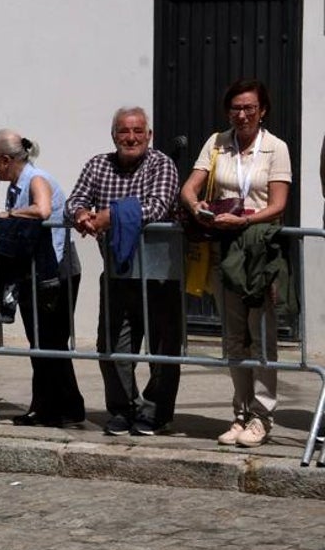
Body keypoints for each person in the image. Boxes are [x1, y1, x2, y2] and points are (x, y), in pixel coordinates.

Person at [180, 80, 292, 448]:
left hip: (259, 249)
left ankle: (262, 417)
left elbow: (277, 205)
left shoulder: (276, 148)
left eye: (249, 108)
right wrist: (197, 209)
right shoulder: (216, 143)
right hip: (225, 250)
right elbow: (190, 187)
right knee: (233, 338)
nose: (242, 115)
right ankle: (240, 413)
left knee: (262, 338)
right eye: (236, 108)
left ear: (263, 110)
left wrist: (244, 220)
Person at [66, 106, 182, 436]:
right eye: (123, 131)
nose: (130, 137)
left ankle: (156, 411)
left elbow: (157, 206)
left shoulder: (161, 164)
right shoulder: (98, 164)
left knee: (162, 352)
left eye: (137, 131)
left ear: (149, 135)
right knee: (112, 347)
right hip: (118, 273)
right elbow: (74, 200)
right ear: (113, 135)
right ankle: (122, 408)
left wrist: (109, 216)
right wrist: (81, 215)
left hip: (159, 274)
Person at [0, 129, 84, 427]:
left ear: (5, 160)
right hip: (38, 270)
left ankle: (47, 408)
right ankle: (65, 406)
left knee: (48, 342)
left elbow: (41, 210)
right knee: (45, 342)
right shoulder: (18, 183)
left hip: (55, 272)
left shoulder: (35, 178)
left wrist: (7, 216)